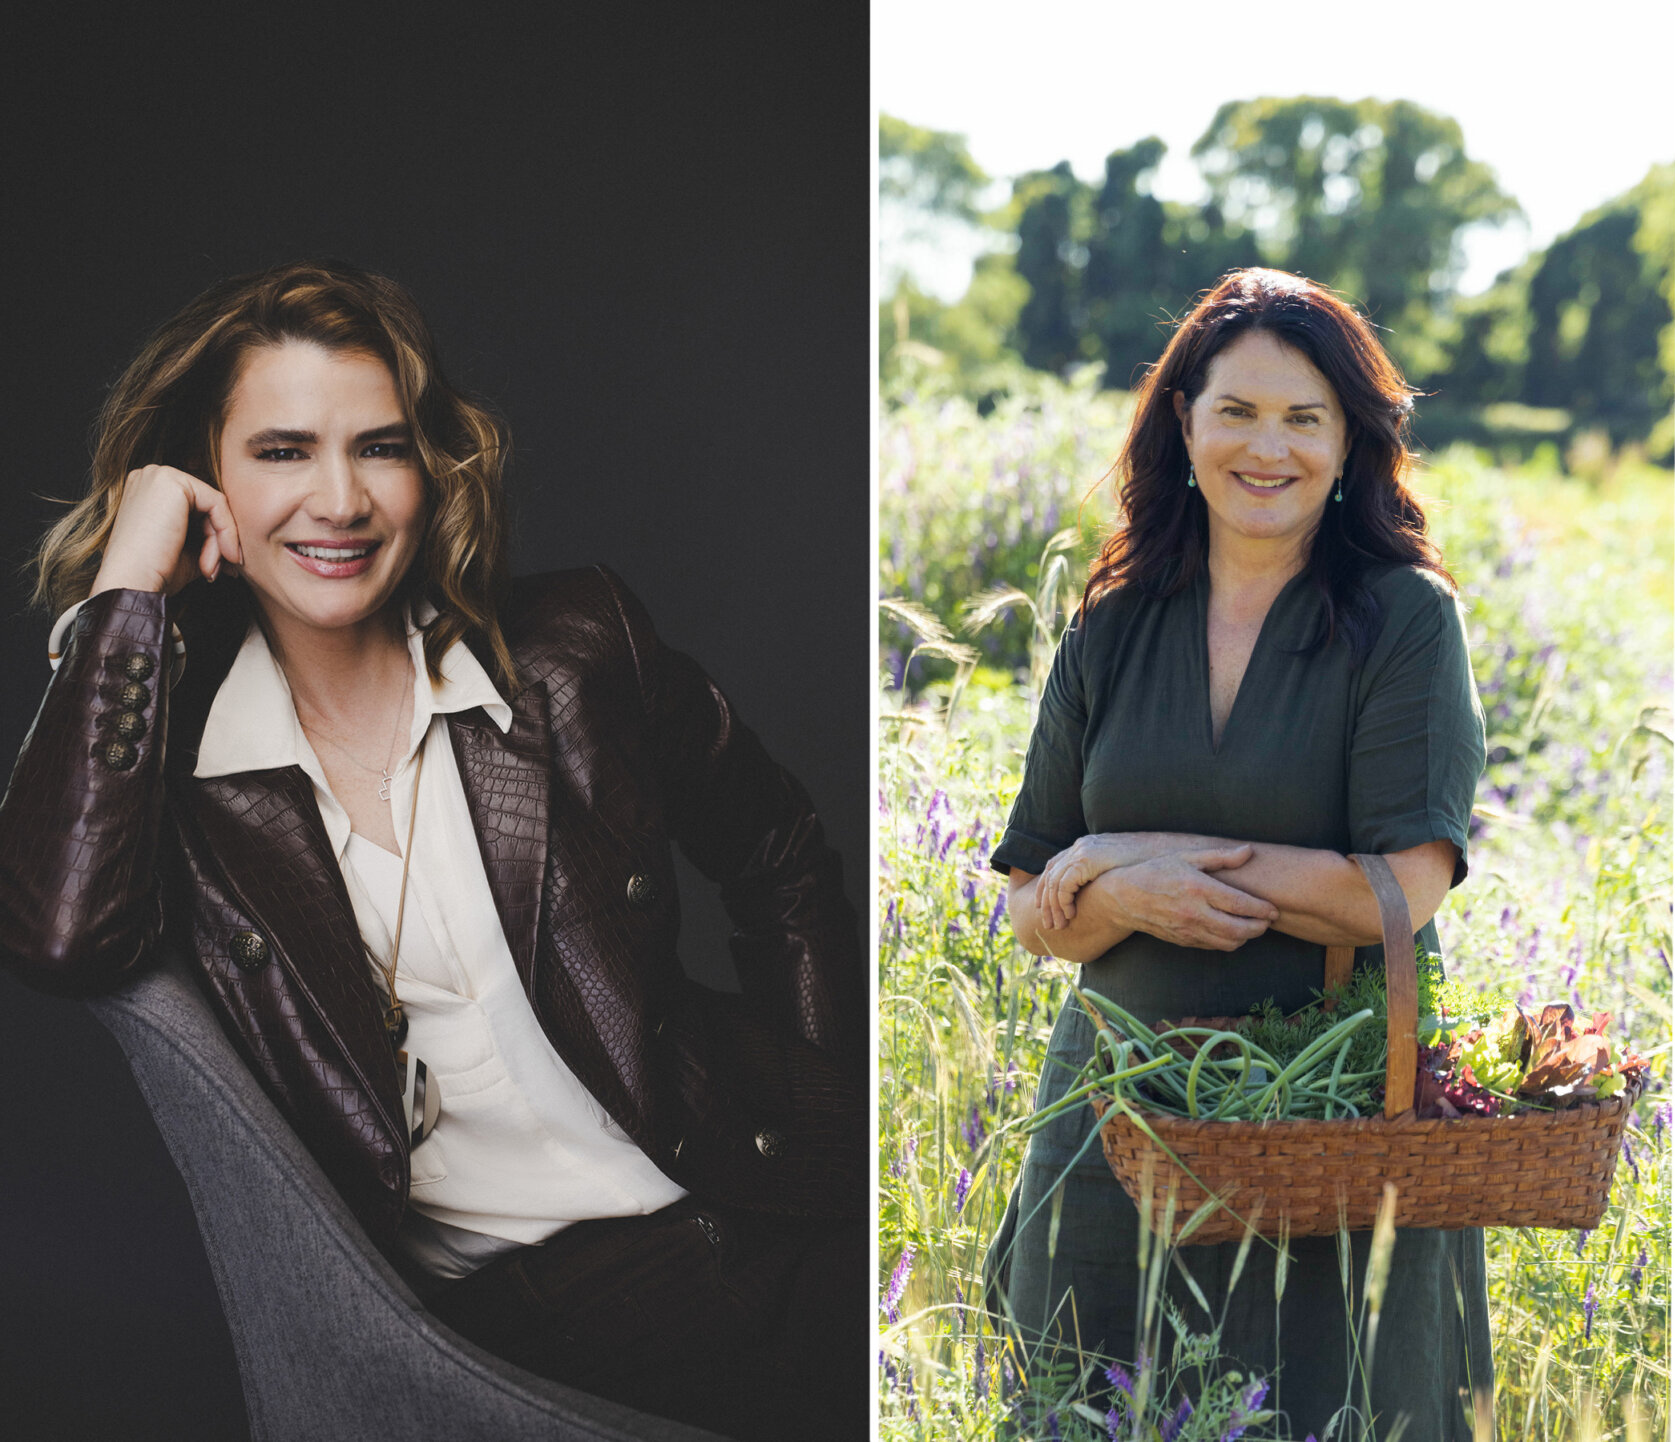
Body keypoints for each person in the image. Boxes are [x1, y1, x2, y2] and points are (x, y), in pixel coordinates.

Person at [0, 262, 857, 1440]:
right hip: (532, 1327)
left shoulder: (572, 649)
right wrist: (126, 584)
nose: (340, 499)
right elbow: (54, 932)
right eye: (284, 451)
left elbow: (781, 851)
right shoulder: (178, 778)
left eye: (381, 448)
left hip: (769, 1211)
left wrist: (816, 1098)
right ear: (206, 480)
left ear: (432, 467)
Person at [981, 268, 1490, 1439]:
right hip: (1113, 1122)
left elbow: (1402, 890)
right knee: (1089, 1403)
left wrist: (1129, 851)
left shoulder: (1403, 618)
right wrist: (1125, 891)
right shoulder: (1110, 621)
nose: (1270, 448)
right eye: (1239, 412)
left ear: (1350, 441)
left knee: (1326, 1406)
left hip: (1322, 1122)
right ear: (1184, 422)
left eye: (1304, 418)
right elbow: (1031, 901)